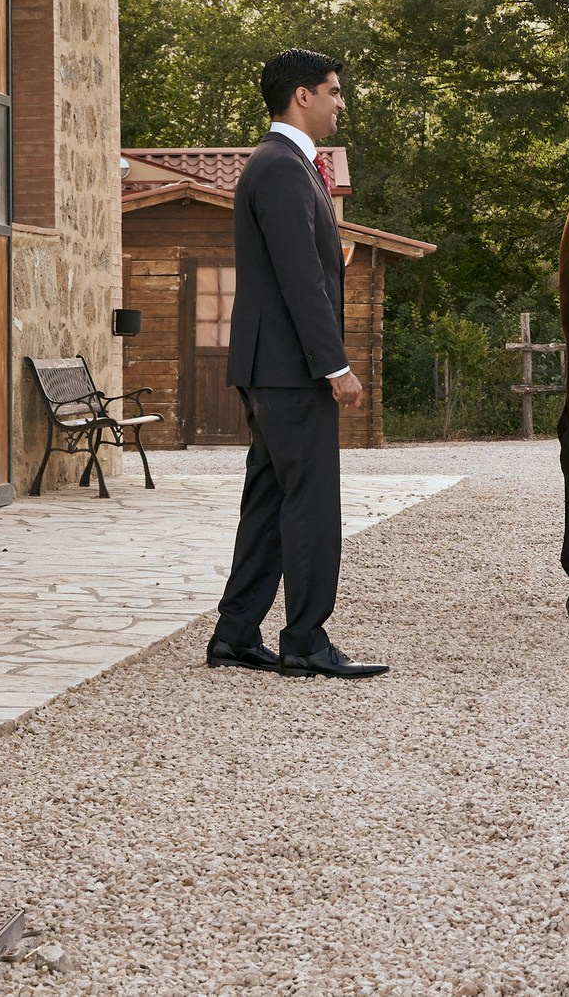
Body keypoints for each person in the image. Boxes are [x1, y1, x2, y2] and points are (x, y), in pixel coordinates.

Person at [205, 49, 389, 681]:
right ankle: (306, 640)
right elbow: (301, 278)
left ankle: (235, 634)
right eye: (334, 91)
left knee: (268, 498)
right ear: (302, 96)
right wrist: (334, 366)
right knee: (311, 503)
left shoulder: (289, 165)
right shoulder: (281, 167)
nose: (342, 102)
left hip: (273, 367)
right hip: (289, 370)